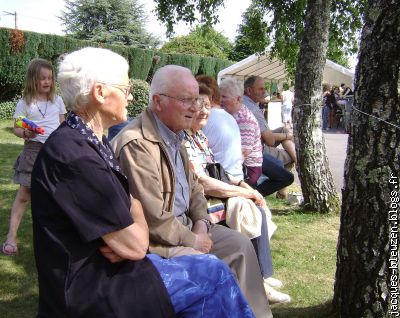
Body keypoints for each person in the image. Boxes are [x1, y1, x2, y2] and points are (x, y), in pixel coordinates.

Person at [31, 47, 255, 318]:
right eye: (125, 89)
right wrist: (134, 207)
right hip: (95, 289)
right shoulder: (74, 154)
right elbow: (135, 243)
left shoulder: (87, 142)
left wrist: (134, 216)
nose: (132, 96)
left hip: (113, 271)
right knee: (212, 274)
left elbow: (136, 224)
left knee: (213, 271)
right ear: (100, 93)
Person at [112, 65, 273, 318]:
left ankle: (257, 314)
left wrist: (200, 222)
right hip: (157, 242)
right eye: (186, 100)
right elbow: (152, 217)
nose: (195, 107)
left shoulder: (176, 133)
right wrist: (193, 239)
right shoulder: (137, 144)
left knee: (240, 244)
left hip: (187, 226)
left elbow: (196, 186)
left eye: (196, 99)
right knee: (212, 266)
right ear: (158, 101)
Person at [184, 82, 290, 304]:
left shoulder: (200, 137)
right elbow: (204, 183)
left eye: (206, 105)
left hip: (213, 194)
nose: (203, 110)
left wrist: (246, 188)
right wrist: (243, 193)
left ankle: (261, 275)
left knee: (255, 208)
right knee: (247, 210)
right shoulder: (186, 139)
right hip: (201, 202)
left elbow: (218, 171)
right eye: (197, 104)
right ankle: (259, 279)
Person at [2, 58, 66, 256]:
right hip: (33, 150)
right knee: (24, 196)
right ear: (33, 80)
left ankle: (56, 240)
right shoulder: (25, 103)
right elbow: (17, 128)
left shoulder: (58, 100)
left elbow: (62, 125)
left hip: (55, 151)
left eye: (50, 78)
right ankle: (11, 237)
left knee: (56, 197)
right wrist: (26, 133)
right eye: (42, 78)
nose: (47, 82)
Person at [243, 76, 295, 199]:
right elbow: (270, 140)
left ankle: (282, 191)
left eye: (265, 88)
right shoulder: (253, 109)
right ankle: (251, 197)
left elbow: (266, 135)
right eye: (261, 89)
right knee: (289, 165)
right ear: (249, 90)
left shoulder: (244, 102)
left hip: (251, 148)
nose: (265, 92)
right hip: (254, 152)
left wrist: (285, 135)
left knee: (283, 130)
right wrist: (288, 136)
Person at [197, 75, 244, 179]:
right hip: (237, 177)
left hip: (222, 180)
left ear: (210, 96)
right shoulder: (229, 117)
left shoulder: (204, 119)